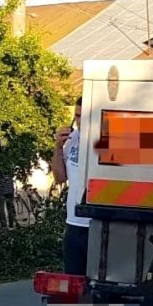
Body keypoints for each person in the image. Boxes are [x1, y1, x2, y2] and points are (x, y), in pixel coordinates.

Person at [50, 100, 89, 275]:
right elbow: (60, 177)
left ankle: (97, 305)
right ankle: (78, 305)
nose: (79, 121)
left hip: (96, 224)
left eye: (83, 116)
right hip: (73, 222)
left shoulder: (106, 140)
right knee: (73, 286)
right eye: (77, 115)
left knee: (96, 290)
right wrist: (58, 147)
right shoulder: (72, 139)